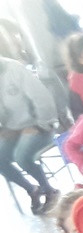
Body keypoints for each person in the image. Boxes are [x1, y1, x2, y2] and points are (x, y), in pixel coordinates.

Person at [0, 55, 60, 214]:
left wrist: (40, 125)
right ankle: (32, 189)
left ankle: (49, 190)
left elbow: (42, 98)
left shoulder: (14, 69)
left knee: (21, 156)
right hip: (13, 129)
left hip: (40, 124)